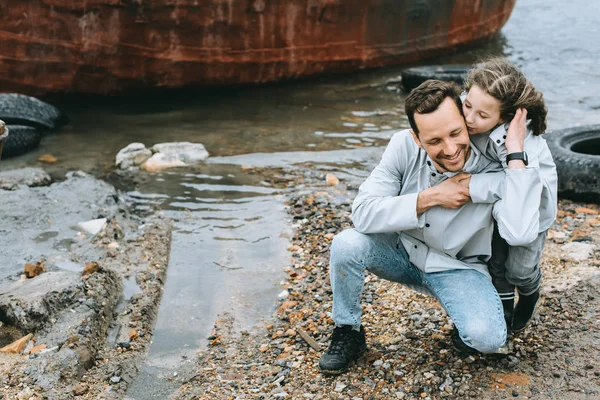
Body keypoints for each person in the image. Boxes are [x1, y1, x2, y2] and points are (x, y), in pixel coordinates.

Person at [318, 79, 541, 375]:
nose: (450, 149)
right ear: (416, 138)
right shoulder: (401, 146)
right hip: (402, 252)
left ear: (465, 120)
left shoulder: (495, 161)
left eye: (455, 133)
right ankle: (348, 330)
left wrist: (507, 160)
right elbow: (362, 213)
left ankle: (463, 316)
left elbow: (521, 225)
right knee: (346, 244)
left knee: (488, 339)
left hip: (458, 267)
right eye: (435, 141)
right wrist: (429, 198)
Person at [462, 57, 558, 332]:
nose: (469, 118)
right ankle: (498, 316)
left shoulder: (527, 146)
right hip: (490, 204)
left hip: (531, 215)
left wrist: (513, 151)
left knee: (519, 270)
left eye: (482, 115)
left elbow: (520, 221)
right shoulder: (469, 109)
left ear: (505, 117)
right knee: (493, 261)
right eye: (468, 106)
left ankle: (530, 292)